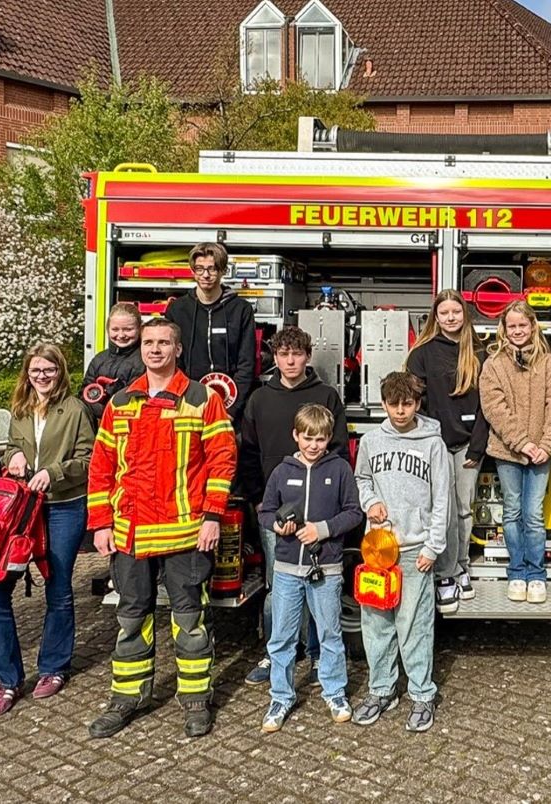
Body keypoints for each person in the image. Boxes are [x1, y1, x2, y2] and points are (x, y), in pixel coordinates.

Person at [86, 317, 237, 740]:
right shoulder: (120, 403)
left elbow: (222, 461)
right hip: (130, 531)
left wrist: (212, 516)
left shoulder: (202, 399)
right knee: (131, 618)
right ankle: (127, 698)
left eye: (163, 343)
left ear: (178, 348)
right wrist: (100, 523)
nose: (155, 350)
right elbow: (101, 469)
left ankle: (194, 699)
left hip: (186, 531)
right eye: (149, 342)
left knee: (190, 620)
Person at [0, 344, 96, 716]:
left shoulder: (75, 409)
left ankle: (53, 667)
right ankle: (7, 679)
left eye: (49, 370)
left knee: (58, 587)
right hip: (21, 508)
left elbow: (89, 458)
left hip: (63, 507)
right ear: (27, 374)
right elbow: (15, 445)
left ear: (60, 371)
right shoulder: (21, 408)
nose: (42, 376)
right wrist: (12, 454)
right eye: (35, 371)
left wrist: (55, 473)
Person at [238, 326, 351, 686]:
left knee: (319, 585)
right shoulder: (259, 398)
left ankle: (318, 657)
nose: (290, 361)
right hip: (276, 510)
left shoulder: (325, 395)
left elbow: (339, 448)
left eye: (297, 354)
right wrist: (259, 500)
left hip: (320, 509)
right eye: (283, 354)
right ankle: (276, 657)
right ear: (274, 356)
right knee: (278, 587)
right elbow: (249, 452)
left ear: (307, 356)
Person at [352, 371, 452, 732]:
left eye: (407, 403)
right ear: (383, 403)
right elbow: (362, 478)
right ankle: (381, 690)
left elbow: (443, 498)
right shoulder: (371, 441)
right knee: (376, 624)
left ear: (417, 403)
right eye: (393, 404)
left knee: (414, 625)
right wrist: (371, 501)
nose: (400, 410)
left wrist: (433, 545)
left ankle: (422, 694)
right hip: (378, 549)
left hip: (415, 551)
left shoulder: (432, 444)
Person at [258, 404, 362, 733]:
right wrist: (277, 526)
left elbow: (353, 512)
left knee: (331, 634)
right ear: (295, 436)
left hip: (326, 567)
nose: (313, 445)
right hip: (287, 568)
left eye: (320, 439)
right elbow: (265, 511)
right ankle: (281, 696)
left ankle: (334, 692)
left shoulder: (341, 469)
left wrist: (324, 529)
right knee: (282, 638)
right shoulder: (281, 471)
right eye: (307, 438)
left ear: (329, 439)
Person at [405, 289, 489, 612]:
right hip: (435, 444)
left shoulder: (478, 352)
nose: (451, 318)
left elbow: (488, 405)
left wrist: (478, 446)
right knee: (443, 510)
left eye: (456, 312)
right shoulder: (422, 354)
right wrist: (425, 441)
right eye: (444, 313)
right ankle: (446, 573)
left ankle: (462, 566)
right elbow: (414, 401)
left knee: (464, 510)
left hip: (468, 444)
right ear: (435, 317)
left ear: (464, 314)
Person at [479, 301, 551, 605]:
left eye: (522, 325)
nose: (517, 331)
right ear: (503, 329)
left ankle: (536, 575)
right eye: (511, 326)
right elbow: (495, 409)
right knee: (513, 511)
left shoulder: (549, 365)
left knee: (534, 514)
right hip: (507, 452)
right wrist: (522, 442)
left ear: (533, 326)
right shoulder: (494, 365)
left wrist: (546, 445)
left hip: (541, 454)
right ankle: (516, 571)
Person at [165, 241, 257, 419]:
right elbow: (171, 361)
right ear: (192, 271)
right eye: (199, 269)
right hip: (187, 404)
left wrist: (231, 410)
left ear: (223, 271)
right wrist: (184, 402)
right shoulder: (176, 310)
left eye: (212, 269)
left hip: (230, 408)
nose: (205, 275)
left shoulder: (241, 309)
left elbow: (246, 363)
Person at [82, 302, 146, 423]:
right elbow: (84, 393)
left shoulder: (144, 360)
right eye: (115, 329)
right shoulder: (99, 359)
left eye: (128, 329)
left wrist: (117, 395)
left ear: (140, 329)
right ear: (107, 329)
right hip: (97, 424)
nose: (121, 335)